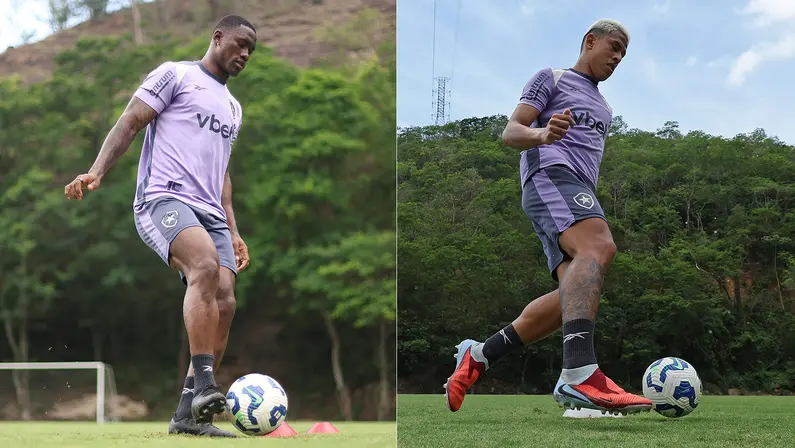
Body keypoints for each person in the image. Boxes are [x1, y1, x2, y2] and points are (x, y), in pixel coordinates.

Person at [444, 19, 653, 415]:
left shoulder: (605, 108)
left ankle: (479, 356)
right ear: (589, 42)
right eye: (613, 47)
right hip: (550, 176)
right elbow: (511, 132)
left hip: (578, 190)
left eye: (624, 53)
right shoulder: (552, 78)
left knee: (570, 298)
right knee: (599, 246)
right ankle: (579, 374)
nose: (618, 57)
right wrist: (542, 135)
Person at [64, 15, 257, 437]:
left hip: (211, 211)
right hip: (163, 198)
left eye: (250, 51)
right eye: (240, 44)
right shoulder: (176, 75)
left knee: (225, 300)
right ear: (217, 37)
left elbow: (222, 172)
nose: (244, 55)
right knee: (203, 267)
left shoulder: (233, 108)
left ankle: (187, 417)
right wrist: (96, 171)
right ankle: (207, 385)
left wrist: (234, 228)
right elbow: (130, 121)